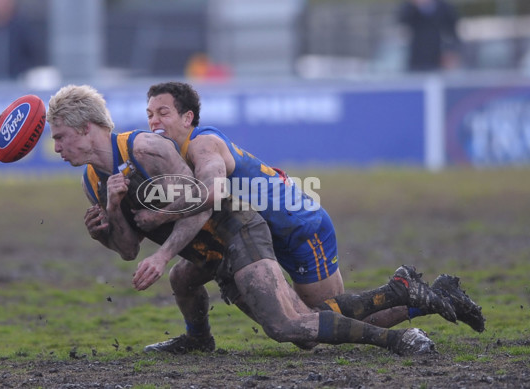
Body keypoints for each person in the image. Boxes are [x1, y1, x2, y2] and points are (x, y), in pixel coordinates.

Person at [46, 84, 456, 356]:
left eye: (60, 136)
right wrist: (111, 218)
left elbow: (205, 203)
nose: (56, 146)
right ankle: (198, 339)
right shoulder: (93, 181)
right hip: (210, 249)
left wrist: (164, 252)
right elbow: (128, 249)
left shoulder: (148, 150)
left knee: (291, 324)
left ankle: (398, 338)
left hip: (241, 227)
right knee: (185, 281)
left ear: (85, 129)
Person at [397, 0, 462, 72]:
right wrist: (415, 5)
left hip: (439, 56)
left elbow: (453, 32)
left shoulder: (444, 7)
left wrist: (451, 51)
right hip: (417, 57)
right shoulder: (410, 7)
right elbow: (402, 19)